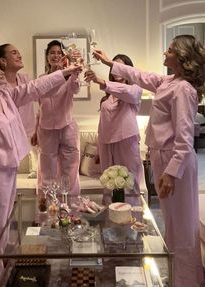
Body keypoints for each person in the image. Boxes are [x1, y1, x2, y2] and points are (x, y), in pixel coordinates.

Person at [90, 35, 205, 287]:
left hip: (176, 161)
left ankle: (187, 281)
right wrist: (109, 62)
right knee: (173, 226)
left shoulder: (184, 89)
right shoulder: (169, 81)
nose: (166, 51)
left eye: (171, 49)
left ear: (182, 57)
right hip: (163, 157)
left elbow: (184, 139)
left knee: (182, 227)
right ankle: (180, 277)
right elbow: (141, 75)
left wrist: (171, 174)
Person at [0, 58, 81, 287]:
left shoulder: (5, 96)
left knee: (2, 228)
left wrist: (66, 72)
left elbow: (34, 88)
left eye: (0, 69)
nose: (1, 73)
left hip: (8, 171)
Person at [84, 54, 143, 206]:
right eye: (114, 67)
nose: (116, 71)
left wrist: (100, 81)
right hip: (106, 144)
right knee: (108, 183)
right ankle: (111, 223)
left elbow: (127, 92)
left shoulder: (134, 89)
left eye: (120, 67)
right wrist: (98, 148)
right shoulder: (107, 97)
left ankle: (133, 222)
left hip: (126, 140)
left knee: (129, 182)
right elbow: (102, 123)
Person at [31, 40, 81, 196]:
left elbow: (75, 88)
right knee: (46, 172)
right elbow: (41, 108)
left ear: (63, 56)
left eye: (59, 53)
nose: (55, 55)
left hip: (67, 127)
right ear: (47, 57)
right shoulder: (41, 79)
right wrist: (34, 130)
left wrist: (74, 71)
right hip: (46, 130)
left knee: (70, 172)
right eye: (52, 52)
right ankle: (46, 215)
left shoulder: (69, 77)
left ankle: (71, 214)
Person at [0, 43, 36, 139]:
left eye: (19, 53)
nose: (19, 56)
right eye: (14, 53)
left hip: (29, 137)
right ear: (3, 60)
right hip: (8, 140)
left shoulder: (25, 79)